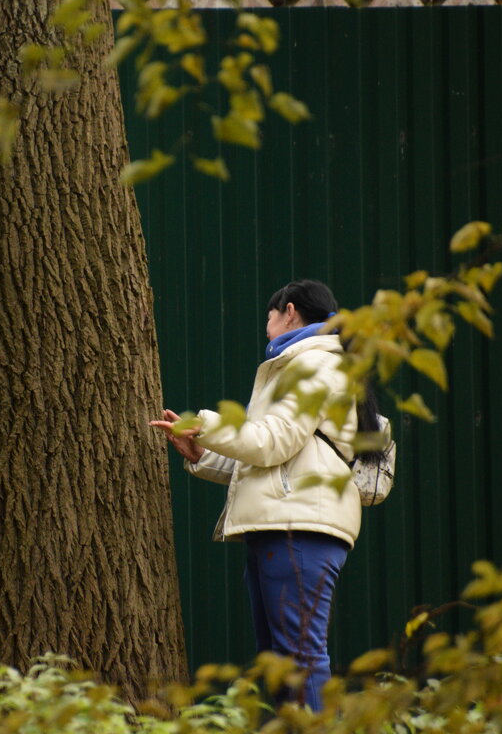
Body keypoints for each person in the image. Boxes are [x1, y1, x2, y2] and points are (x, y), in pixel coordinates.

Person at [150, 279, 380, 712]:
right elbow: (276, 458)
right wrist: (201, 452)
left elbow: (273, 440)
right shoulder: (312, 363)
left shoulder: (315, 364)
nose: (267, 330)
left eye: (268, 320)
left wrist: (208, 425)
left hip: (297, 527)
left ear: (289, 311)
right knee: (281, 662)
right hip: (284, 523)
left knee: (299, 660)